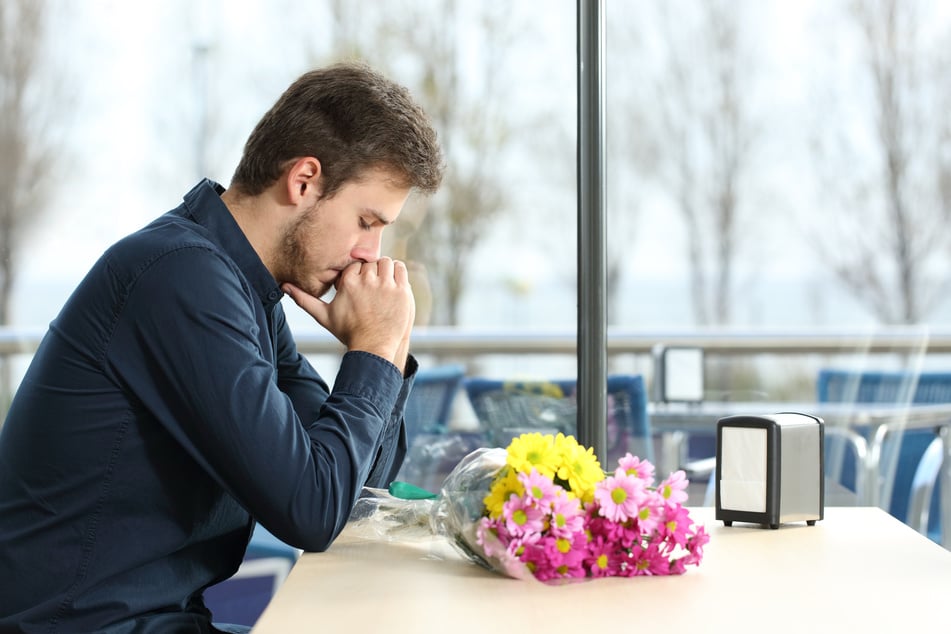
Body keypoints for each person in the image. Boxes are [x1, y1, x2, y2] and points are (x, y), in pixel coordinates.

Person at [0, 61, 444, 633]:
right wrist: (375, 350)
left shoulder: (240, 287)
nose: (371, 252)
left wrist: (388, 344)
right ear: (304, 180)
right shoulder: (182, 279)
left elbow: (356, 492)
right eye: (366, 221)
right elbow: (311, 512)